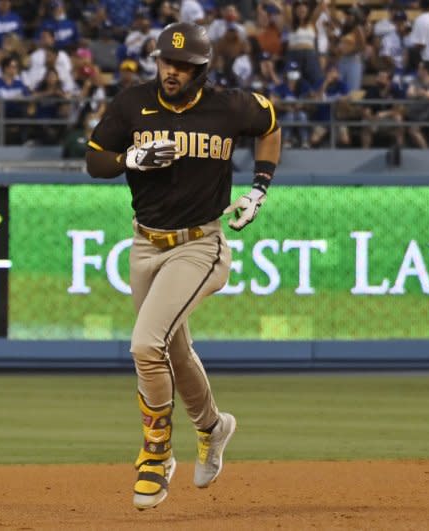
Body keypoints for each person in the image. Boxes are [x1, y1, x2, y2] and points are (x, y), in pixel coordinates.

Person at [85, 21, 280, 511]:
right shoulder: (133, 103)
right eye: (166, 62)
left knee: (144, 344)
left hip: (200, 243)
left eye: (183, 65)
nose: (171, 71)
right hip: (145, 243)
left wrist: (259, 188)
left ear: (201, 69)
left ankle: (156, 455)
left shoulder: (229, 105)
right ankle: (214, 428)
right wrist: (130, 158)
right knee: (171, 350)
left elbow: (271, 124)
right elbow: (93, 159)